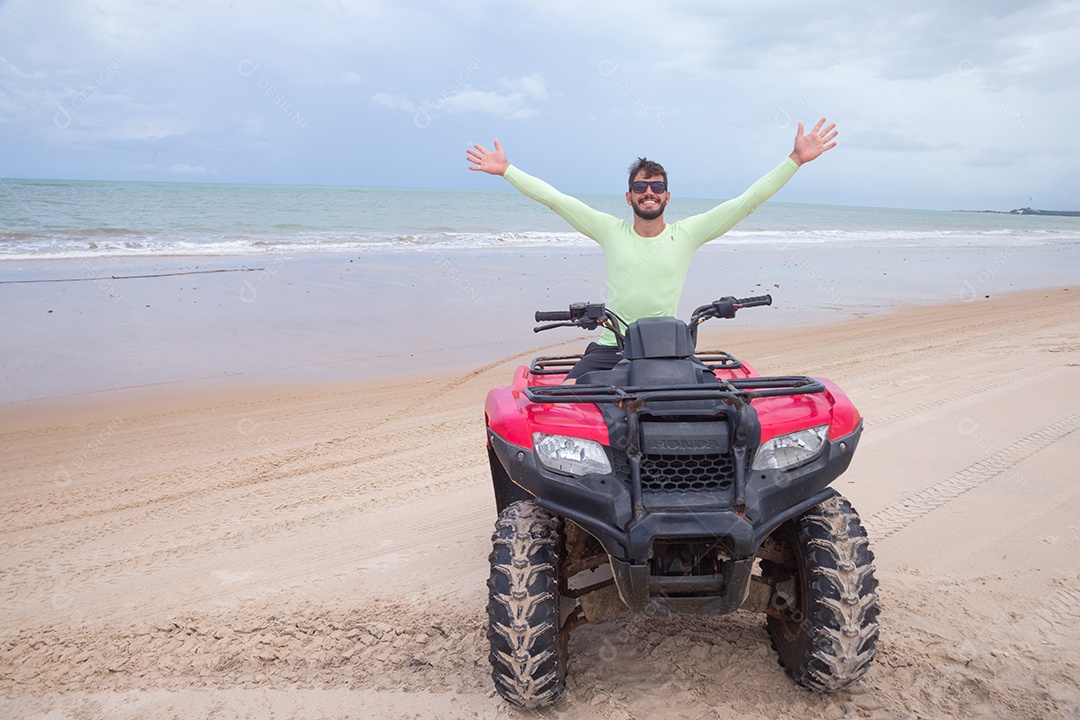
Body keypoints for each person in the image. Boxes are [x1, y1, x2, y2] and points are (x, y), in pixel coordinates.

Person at [467, 118, 837, 381]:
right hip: (611, 347)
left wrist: (794, 161)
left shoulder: (686, 234)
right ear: (629, 196)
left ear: (667, 196)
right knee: (563, 401)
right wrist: (507, 170)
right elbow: (556, 200)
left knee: (720, 405)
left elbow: (746, 202)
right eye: (641, 187)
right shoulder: (610, 231)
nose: (649, 192)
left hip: (668, 347)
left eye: (657, 187)